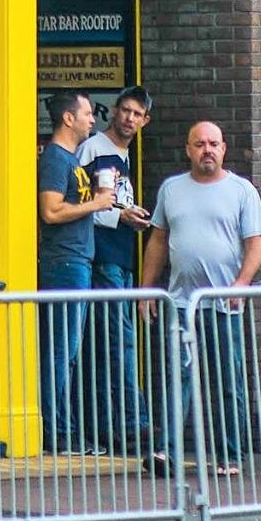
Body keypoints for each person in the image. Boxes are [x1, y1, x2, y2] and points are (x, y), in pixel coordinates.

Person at [142, 119, 261, 474]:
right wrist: (147, 290)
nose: (207, 150)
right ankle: (166, 452)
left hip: (223, 303)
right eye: (200, 144)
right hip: (180, 303)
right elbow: (158, 241)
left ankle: (230, 456)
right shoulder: (171, 189)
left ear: (224, 149)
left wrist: (241, 284)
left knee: (228, 380)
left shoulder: (242, 191)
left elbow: (255, 244)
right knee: (177, 377)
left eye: (213, 144)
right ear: (188, 150)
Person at [77, 88, 155, 448]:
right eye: (125, 110)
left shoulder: (124, 154)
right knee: (119, 340)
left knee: (115, 340)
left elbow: (114, 201)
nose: (129, 118)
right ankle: (132, 423)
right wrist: (119, 217)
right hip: (103, 254)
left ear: (145, 121)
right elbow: (81, 202)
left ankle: (114, 424)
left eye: (137, 114)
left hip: (122, 255)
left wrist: (130, 214)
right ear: (113, 111)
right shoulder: (94, 149)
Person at [37, 89, 105, 453]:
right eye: (87, 113)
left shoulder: (70, 160)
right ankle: (58, 432)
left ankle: (66, 427)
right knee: (61, 352)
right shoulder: (55, 158)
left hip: (76, 261)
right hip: (64, 262)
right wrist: (96, 203)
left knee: (69, 352)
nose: (92, 119)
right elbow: (50, 211)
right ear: (68, 118)